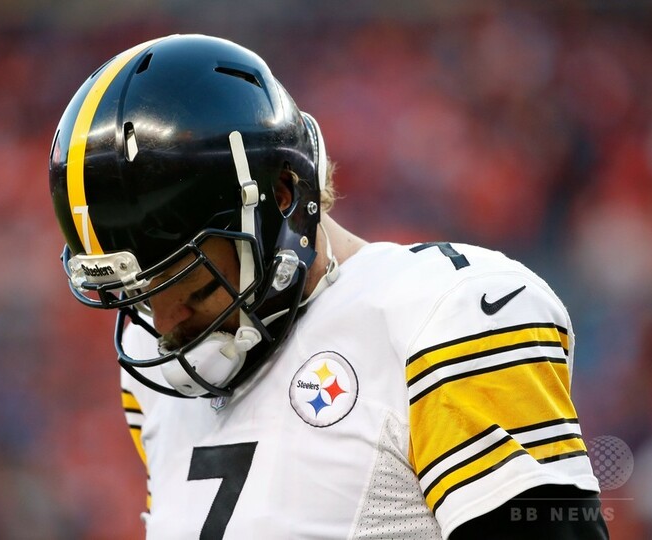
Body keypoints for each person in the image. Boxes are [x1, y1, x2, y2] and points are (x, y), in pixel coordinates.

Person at [48, 34, 608, 539]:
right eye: (146, 299)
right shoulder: (151, 369)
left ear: (282, 197)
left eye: (194, 291)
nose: (169, 330)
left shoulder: (443, 313)